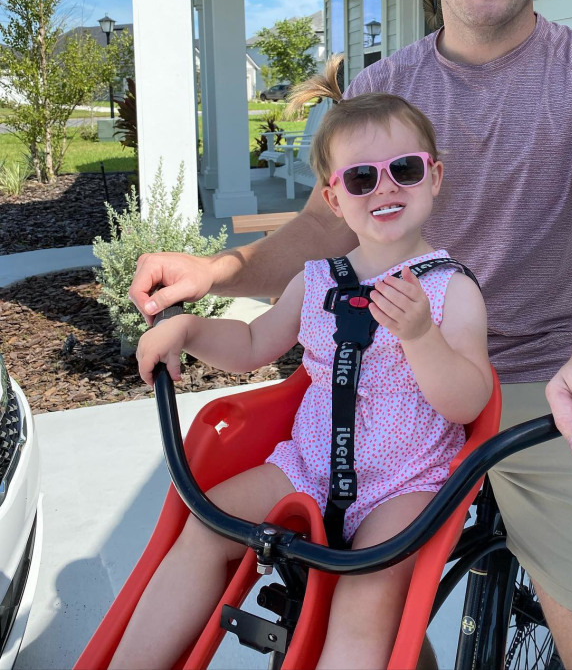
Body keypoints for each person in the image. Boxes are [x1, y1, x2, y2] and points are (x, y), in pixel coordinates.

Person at [130, 0, 572, 670]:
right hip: (382, 381)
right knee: (341, 603)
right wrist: (221, 276)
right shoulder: (385, 87)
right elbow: (330, 227)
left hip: (548, 385)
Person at [110, 76, 491, 670]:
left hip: (405, 482)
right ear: (335, 200)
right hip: (307, 464)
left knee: (366, 597)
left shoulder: (450, 290)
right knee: (207, 523)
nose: (384, 187)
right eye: (361, 177)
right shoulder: (315, 280)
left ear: (434, 178)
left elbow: (469, 402)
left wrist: (420, 338)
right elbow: (253, 342)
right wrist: (188, 329)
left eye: (406, 170)